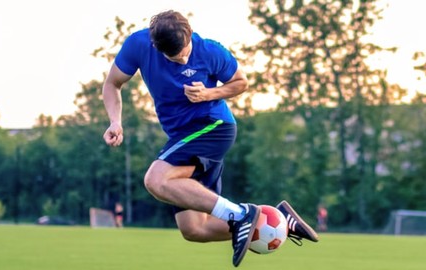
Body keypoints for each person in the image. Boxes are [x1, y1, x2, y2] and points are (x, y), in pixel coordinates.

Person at [102, 10, 319, 267]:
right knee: (195, 230)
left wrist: (209, 93)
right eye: (174, 58)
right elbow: (112, 84)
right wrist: (115, 121)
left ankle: (242, 214)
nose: (182, 61)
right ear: (155, 46)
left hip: (213, 126)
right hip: (182, 136)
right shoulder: (138, 45)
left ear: (190, 34)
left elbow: (240, 82)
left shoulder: (210, 51)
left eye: (185, 52)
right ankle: (280, 222)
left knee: (155, 180)